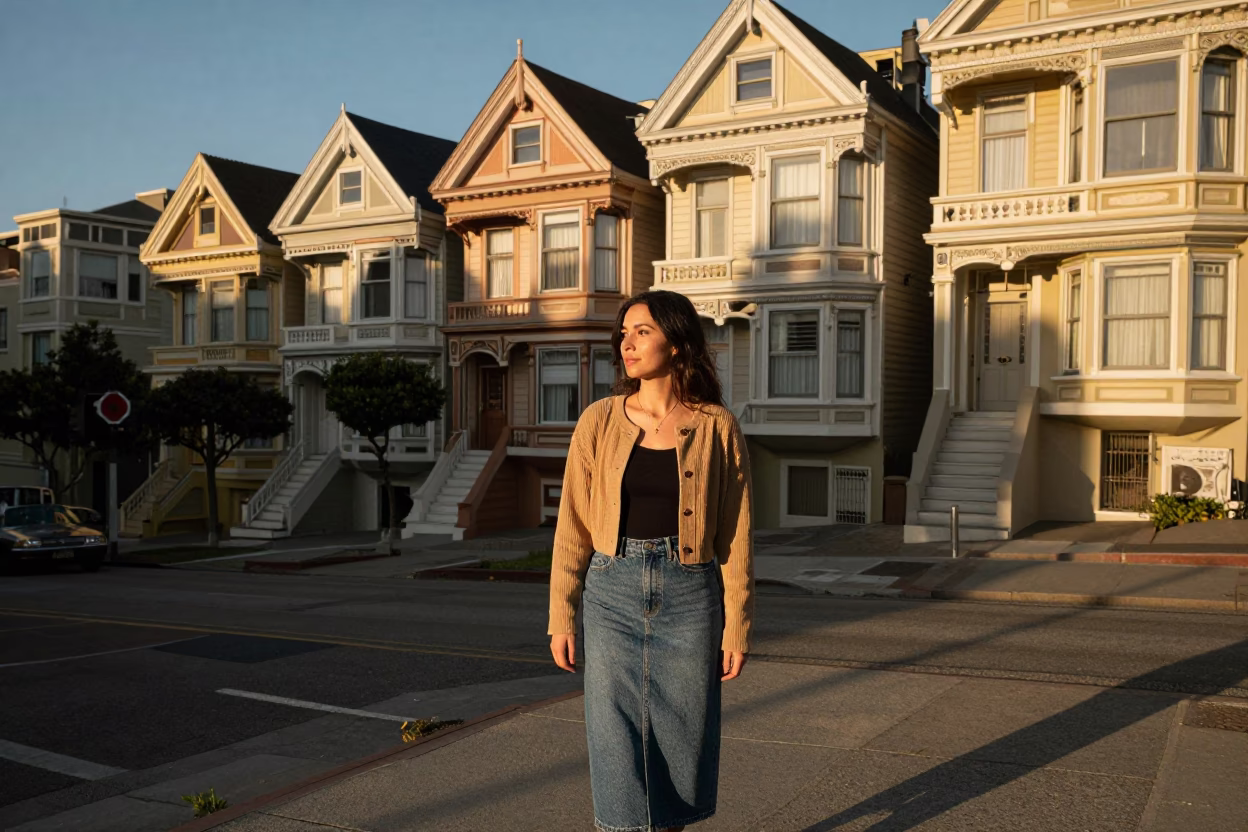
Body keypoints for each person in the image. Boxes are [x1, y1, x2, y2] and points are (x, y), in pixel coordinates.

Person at [548, 289, 754, 832]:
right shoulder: (598, 420)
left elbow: (735, 535)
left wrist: (737, 624)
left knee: (681, 741)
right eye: (624, 333)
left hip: (690, 596)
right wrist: (562, 615)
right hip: (611, 591)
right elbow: (572, 527)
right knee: (614, 738)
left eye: (642, 332)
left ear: (677, 342)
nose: (627, 344)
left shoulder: (716, 426)